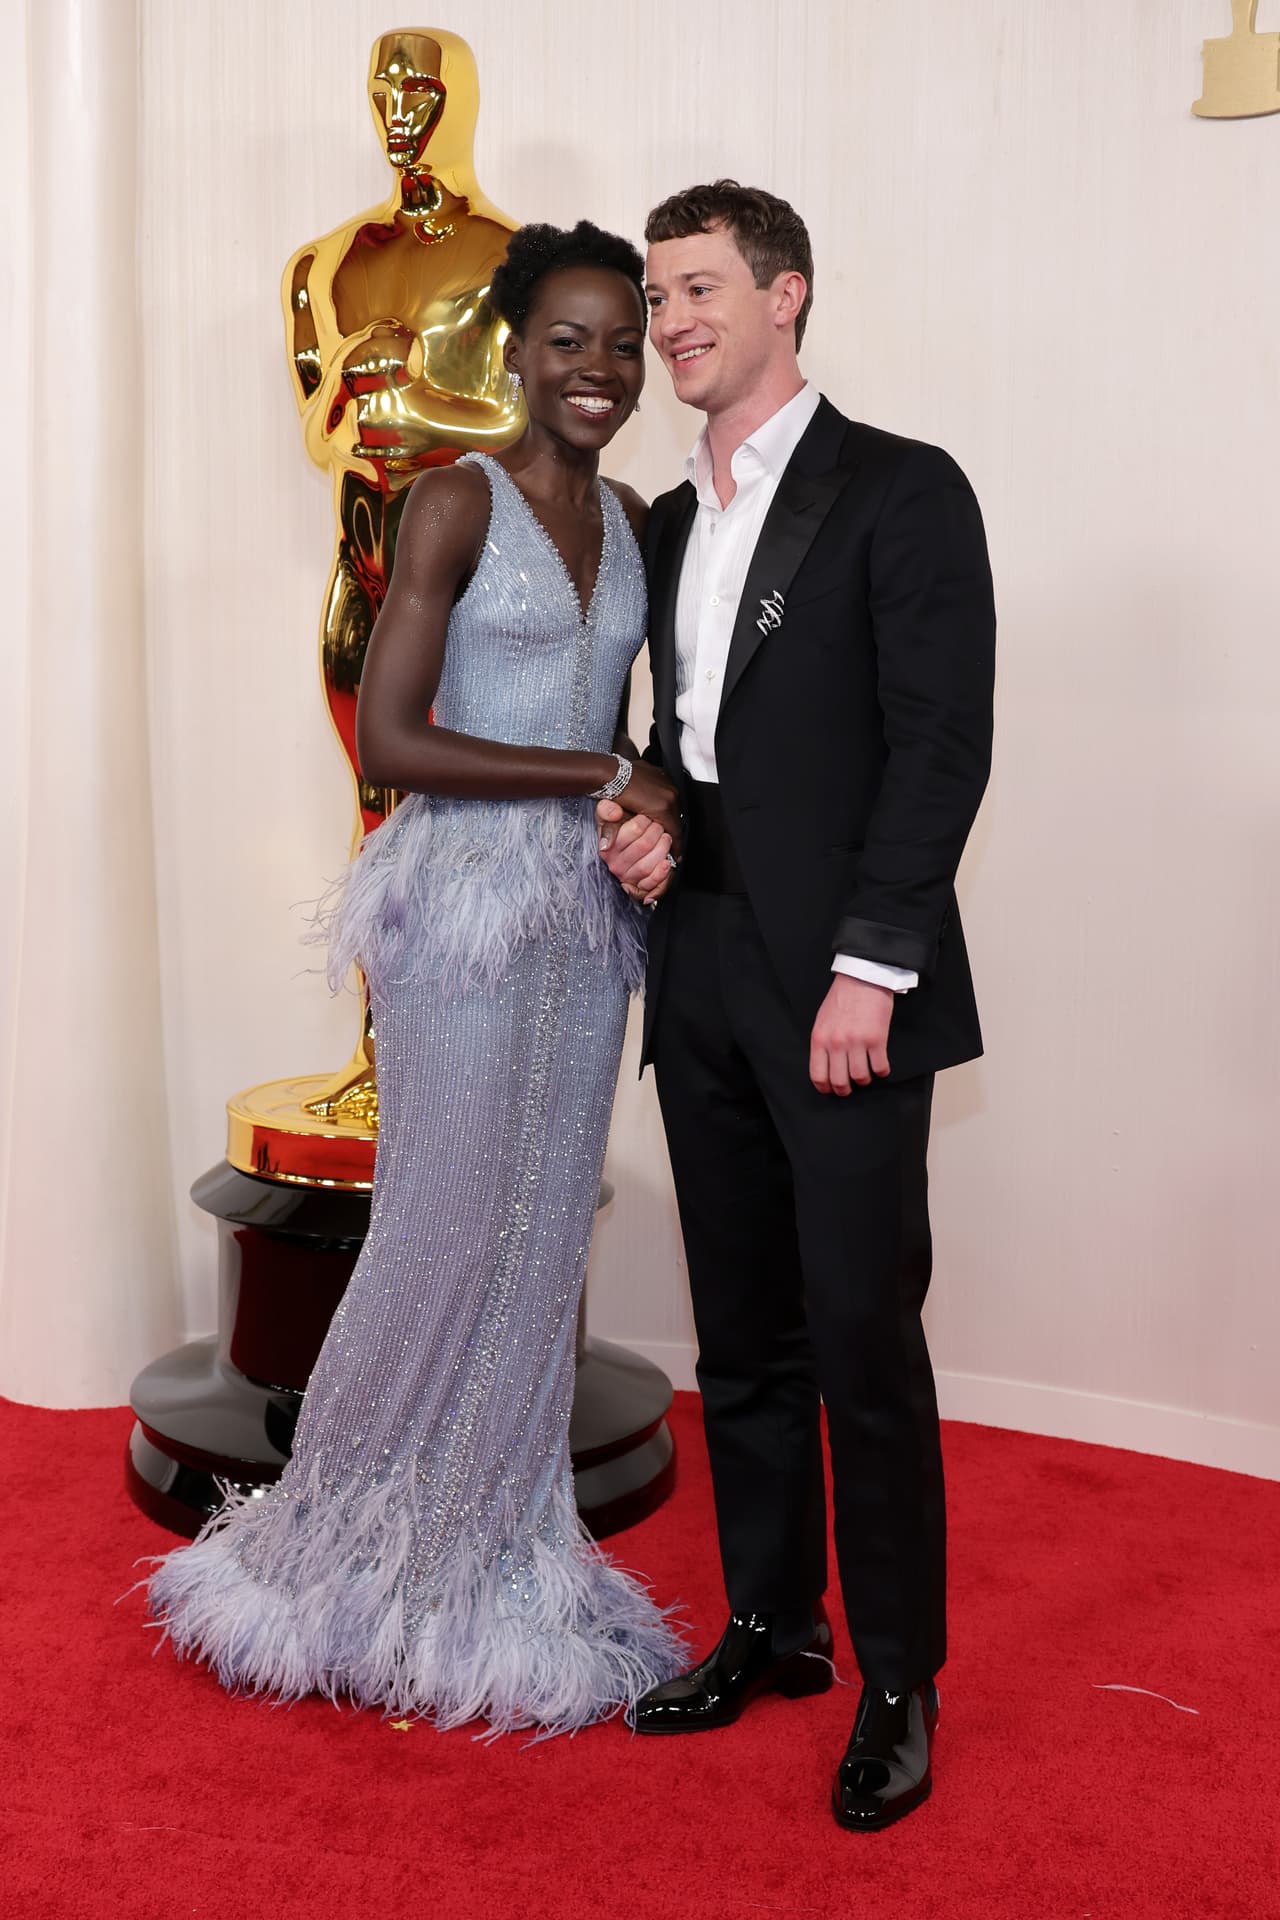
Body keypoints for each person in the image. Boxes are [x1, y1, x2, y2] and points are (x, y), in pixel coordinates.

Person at [146, 221, 685, 1736]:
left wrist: (644, 804)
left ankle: (483, 1557)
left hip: (583, 928)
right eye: (567, 340)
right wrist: (600, 773)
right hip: (459, 911)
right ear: (513, 349)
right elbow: (392, 739)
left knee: (540, 1239)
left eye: (623, 343)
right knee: (441, 1229)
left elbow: (635, 726)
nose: (597, 369)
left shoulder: (635, 517)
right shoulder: (453, 498)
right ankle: (337, 1551)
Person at [599, 181, 996, 1828]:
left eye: (699, 288)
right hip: (697, 966)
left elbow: (940, 745)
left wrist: (870, 968)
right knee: (743, 1332)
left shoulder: (901, 488)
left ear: (787, 295)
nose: (669, 321)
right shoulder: (663, 524)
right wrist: (649, 821)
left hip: (842, 982)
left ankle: (899, 1678)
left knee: (859, 1338)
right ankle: (775, 1626)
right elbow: (691, 745)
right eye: (656, 296)